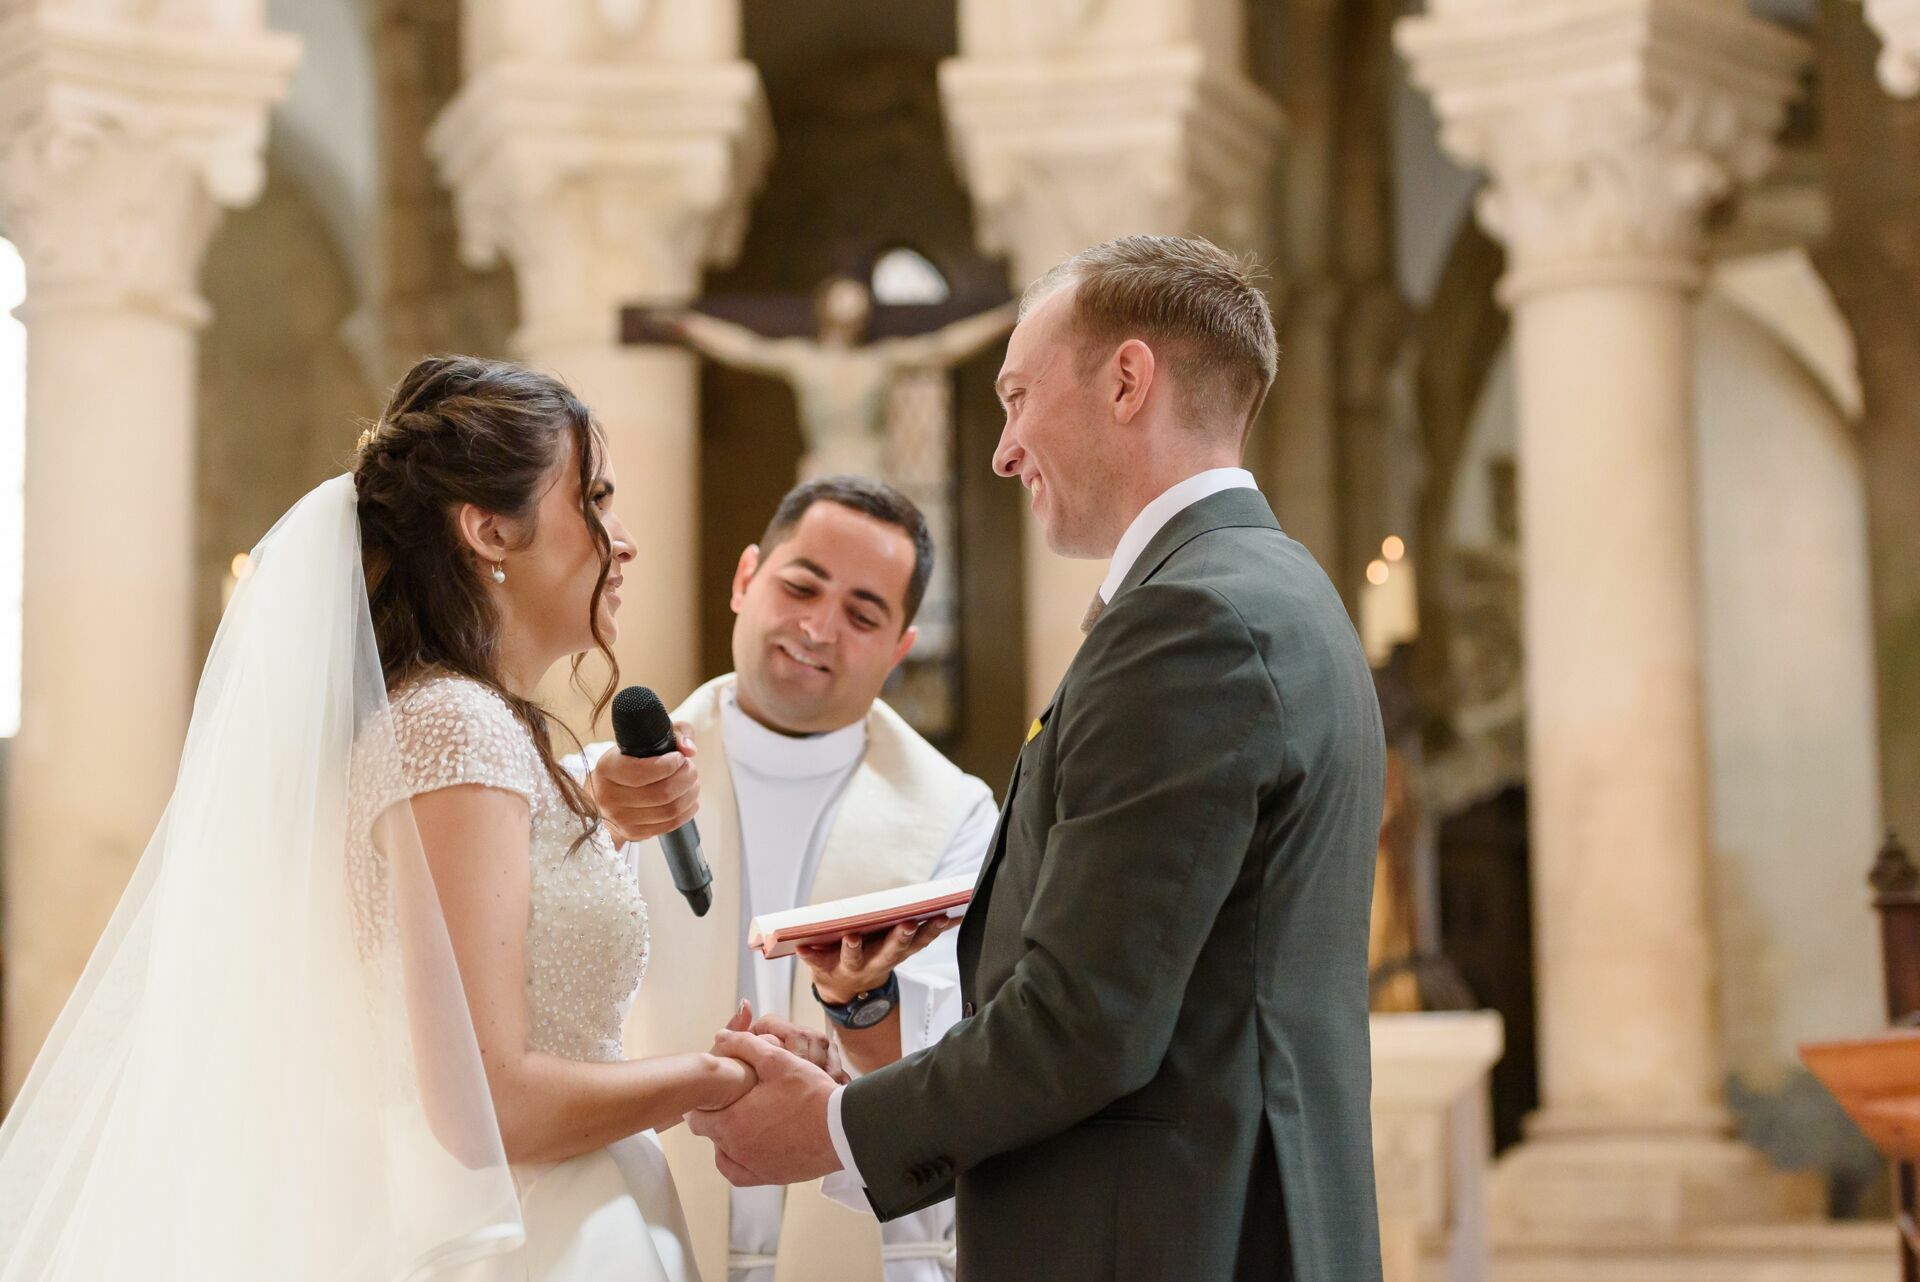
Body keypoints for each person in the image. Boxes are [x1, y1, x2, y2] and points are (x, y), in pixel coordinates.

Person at [685, 236, 1389, 1282]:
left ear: (1126, 379)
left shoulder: (1188, 622)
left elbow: (1083, 1023)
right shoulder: (1284, 590)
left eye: (1018, 397)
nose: (1005, 450)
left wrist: (833, 1128)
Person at [0, 355, 760, 1282]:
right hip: (531, 1232)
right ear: (491, 531)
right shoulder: (454, 725)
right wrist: (711, 1076)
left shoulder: (458, 726)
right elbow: (492, 1098)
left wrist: (587, 794)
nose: (624, 541)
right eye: (592, 500)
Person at [581, 476, 996, 1282]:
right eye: (801, 586)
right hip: (635, 1241)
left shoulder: (958, 817)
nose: (817, 628)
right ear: (745, 581)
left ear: (900, 646)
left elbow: (963, 1063)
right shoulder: (605, 786)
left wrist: (860, 1024)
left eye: (863, 613)